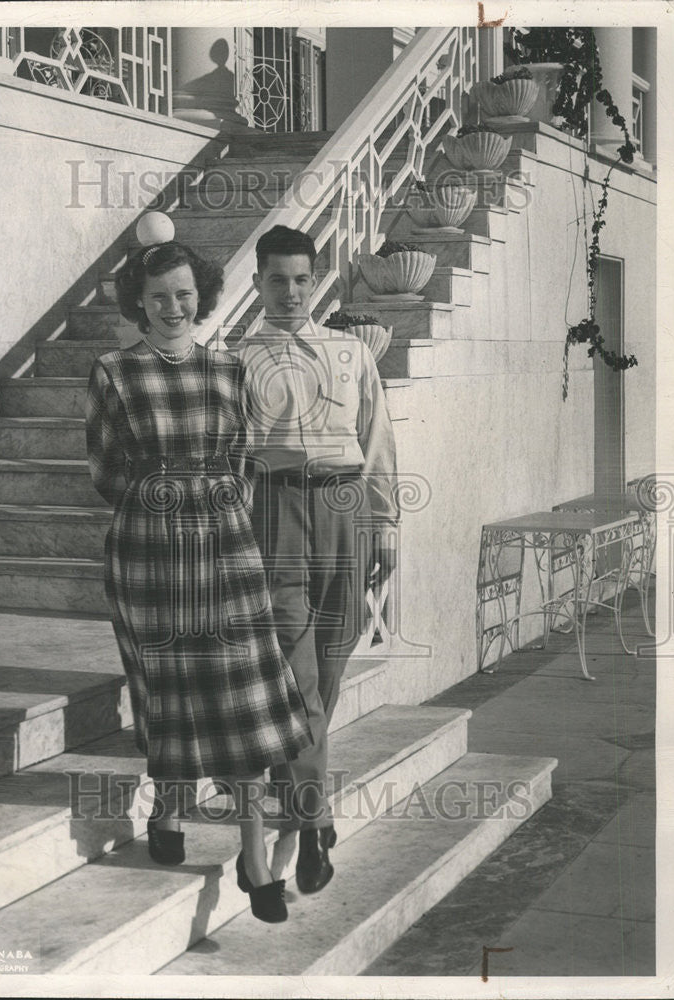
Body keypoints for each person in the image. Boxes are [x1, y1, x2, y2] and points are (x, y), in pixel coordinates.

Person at [84, 221, 313, 923]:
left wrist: (215, 514)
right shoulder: (114, 373)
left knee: (242, 697)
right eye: (158, 296)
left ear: (201, 297)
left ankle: (251, 856)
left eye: (183, 294)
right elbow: (105, 473)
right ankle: (170, 810)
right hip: (148, 554)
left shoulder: (228, 368)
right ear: (139, 301)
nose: (173, 307)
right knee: (167, 690)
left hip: (225, 548)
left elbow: (243, 457)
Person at [231, 224, 400, 895]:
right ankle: (311, 826)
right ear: (257, 284)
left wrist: (384, 525)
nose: (292, 292)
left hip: (346, 512)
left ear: (316, 278)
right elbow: (232, 458)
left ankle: (304, 790)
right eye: (278, 280)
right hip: (276, 514)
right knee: (300, 687)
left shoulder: (351, 354)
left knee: (328, 673)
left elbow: (377, 438)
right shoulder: (238, 360)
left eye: (302, 279)